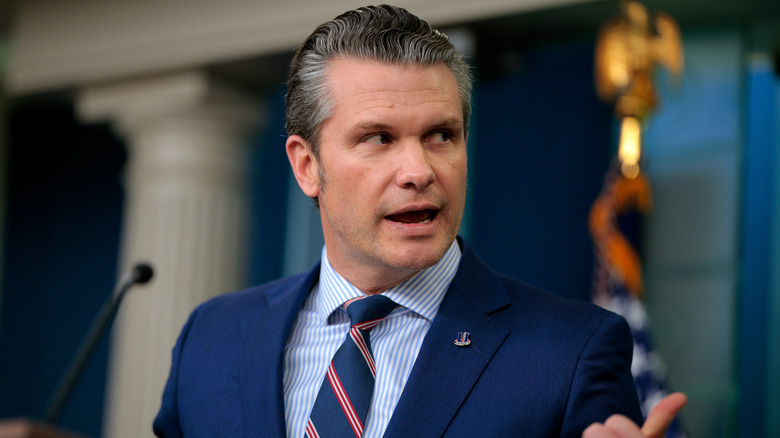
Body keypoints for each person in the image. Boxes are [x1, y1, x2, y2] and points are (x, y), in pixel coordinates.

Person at [152, 4, 685, 438]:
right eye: (379, 138)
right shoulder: (211, 337)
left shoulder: (572, 353)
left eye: (441, 135)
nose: (419, 171)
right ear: (307, 166)